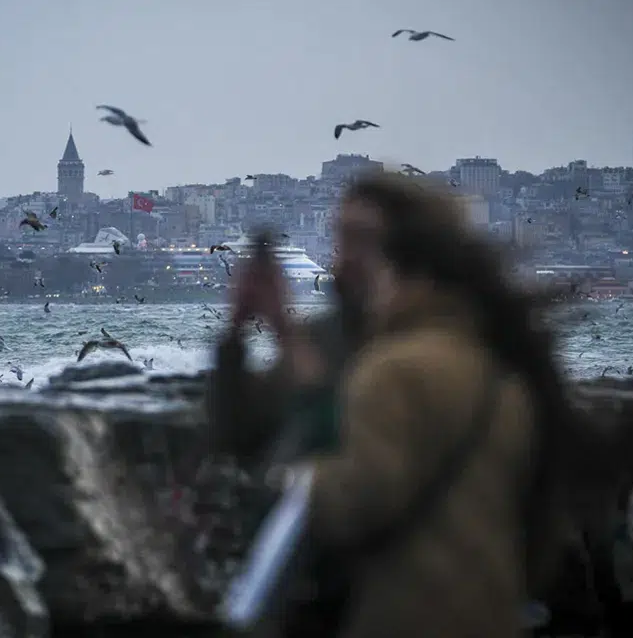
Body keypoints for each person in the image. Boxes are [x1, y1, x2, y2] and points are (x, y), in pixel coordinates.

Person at [210, 172, 586, 637]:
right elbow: (238, 431)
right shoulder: (484, 355)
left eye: (364, 238)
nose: (345, 256)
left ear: (411, 253)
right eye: (340, 236)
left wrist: (300, 467)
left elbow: (352, 493)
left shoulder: (402, 360)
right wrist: (235, 337)